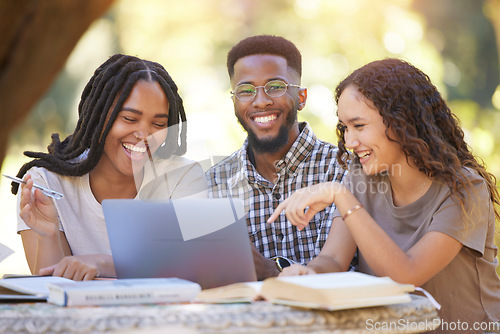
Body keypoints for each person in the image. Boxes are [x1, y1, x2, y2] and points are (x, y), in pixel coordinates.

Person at [268, 58, 500, 331]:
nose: (349, 142)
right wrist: (310, 273)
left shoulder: (465, 189)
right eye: (345, 128)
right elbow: (333, 259)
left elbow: (406, 275)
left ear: (401, 121)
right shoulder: (362, 176)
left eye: (359, 126)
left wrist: (340, 196)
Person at [12, 54, 207, 281]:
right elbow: (54, 293)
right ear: (99, 116)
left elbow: (195, 268)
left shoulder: (181, 178)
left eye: (158, 124)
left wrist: (103, 263)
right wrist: (49, 235)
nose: (144, 135)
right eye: (129, 118)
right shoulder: (45, 184)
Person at [206, 35, 346, 280]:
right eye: (246, 91)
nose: (261, 101)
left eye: (276, 87)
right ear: (234, 102)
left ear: (301, 98)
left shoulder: (343, 169)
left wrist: (274, 271)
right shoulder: (212, 185)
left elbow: (341, 263)